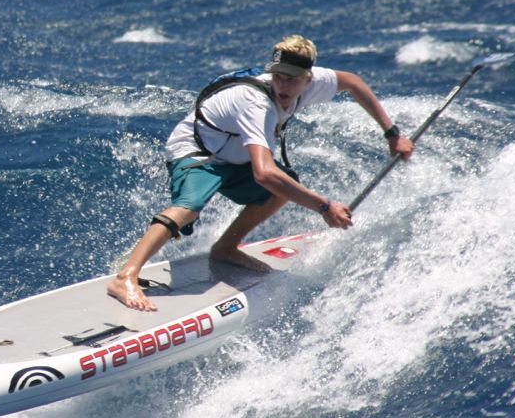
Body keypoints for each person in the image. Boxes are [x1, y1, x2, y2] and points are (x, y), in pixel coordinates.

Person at [107, 35, 415, 312]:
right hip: (198, 152)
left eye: (292, 80)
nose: (283, 86)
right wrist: (324, 206)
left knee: (284, 188)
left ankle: (226, 249)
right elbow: (264, 174)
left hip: (235, 154)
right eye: (278, 77)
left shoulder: (314, 81)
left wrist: (391, 133)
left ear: (308, 79)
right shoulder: (257, 103)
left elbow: (353, 82)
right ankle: (127, 276)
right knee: (190, 207)